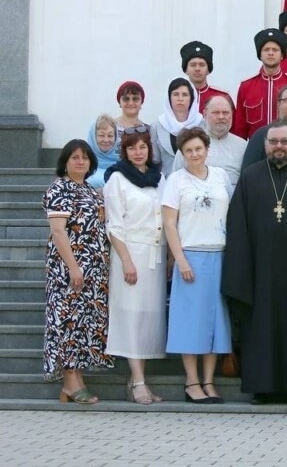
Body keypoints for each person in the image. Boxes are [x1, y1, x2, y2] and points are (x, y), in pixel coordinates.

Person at [223, 119, 287, 405]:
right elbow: (237, 226)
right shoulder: (250, 177)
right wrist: (242, 271)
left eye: (284, 142)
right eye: (273, 141)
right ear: (265, 144)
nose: (279, 146)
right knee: (260, 329)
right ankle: (261, 388)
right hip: (259, 270)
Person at [162, 127, 233, 404]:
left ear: (207, 150)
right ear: (182, 154)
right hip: (190, 256)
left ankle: (209, 381)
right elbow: (169, 224)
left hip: (219, 254)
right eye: (188, 150)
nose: (194, 154)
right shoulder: (176, 181)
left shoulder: (221, 176)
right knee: (190, 321)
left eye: (198, 149)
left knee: (215, 321)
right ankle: (192, 382)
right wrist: (179, 259)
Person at [42, 140, 114, 403]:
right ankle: (70, 382)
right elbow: (58, 231)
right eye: (75, 157)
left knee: (83, 323)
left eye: (85, 157)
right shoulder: (59, 188)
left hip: (93, 271)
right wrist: (73, 267)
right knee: (68, 322)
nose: (81, 161)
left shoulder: (89, 190)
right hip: (68, 270)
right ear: (65, 161)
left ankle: (75, 381)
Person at [102, 126, 166, 404]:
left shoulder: (158, 178)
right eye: (132, 148)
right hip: (130, 254)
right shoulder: (117, 178)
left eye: (142, 147)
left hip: (155, 254)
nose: (138, 152)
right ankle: (138, 380)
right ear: (124, 151)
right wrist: (126, 261)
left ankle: (139, 380)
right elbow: (114, 225)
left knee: (149, 317)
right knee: (131, 316)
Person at [232, 29, 287, 139]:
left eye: (275, 50)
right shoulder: (246, 87)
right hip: (257, 145)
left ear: (282, 55)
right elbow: (240, 127)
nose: (270, 53)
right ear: (260, 55)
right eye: (266, 49)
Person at [172, 95, 247, 190]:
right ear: (204, 114)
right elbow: (175, 182)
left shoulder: (243, 146)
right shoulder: (189, 144)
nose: (221, 117)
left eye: (225, 113)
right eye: (216, 113)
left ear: (232, 114)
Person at [150, 78, 203, 176]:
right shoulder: (157, 126)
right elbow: (154, 161)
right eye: (175, 94)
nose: (180, 98)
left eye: (185, 95)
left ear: (191, 98)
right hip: (167, 181)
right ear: (169, 98)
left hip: (197, 179)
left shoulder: (202, 124)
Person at [180, 41, 232, 112]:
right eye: (193, 65)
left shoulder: (222, 96)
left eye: (202, 65)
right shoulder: (178, 97)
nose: (197, 69)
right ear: (186, 70)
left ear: (208, 70)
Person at [85, 114, 118, 189]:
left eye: (110, 136)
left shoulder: (122, 162)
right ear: (93, 137)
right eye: (101, 135)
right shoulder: (83, 162)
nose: (106, 140)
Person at [113, 80, 147, 147]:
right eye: (126, 99)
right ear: (119, 102)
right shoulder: (110, 126)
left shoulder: (148, 130)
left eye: (135, 99)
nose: (131, 103)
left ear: (141, 102)